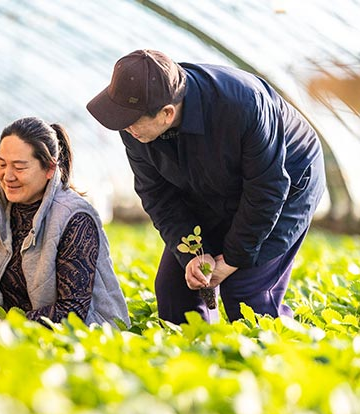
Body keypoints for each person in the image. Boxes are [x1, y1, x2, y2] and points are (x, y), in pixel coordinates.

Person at [87, 49, 325, 324]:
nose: (125, 129)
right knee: (175, 290)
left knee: (247, 291)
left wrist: (232, 259)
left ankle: (270, 358)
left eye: (131, 123)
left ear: (167, 113)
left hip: (285, 182)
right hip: (209, 184)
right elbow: (157, 195)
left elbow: (267, 189)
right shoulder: (134, 126)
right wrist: (192, 253)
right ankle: (196, 358)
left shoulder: (242, 103)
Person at [0, 117, 130, 327]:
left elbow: (72, 311)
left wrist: (1, 324)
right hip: (11, 326)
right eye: (2, 164)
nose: (7, 176)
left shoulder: (75, 218)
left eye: (19, 167)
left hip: (76, 335)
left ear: (50, 168)